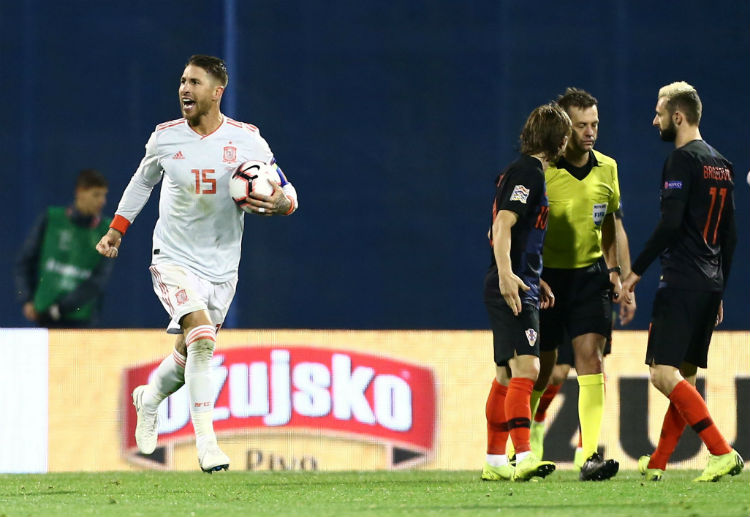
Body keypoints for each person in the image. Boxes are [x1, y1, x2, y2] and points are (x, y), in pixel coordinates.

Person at [96, 55, 298, 473]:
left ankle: (148, 398)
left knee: (189, 352)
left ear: (217, 91)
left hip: (222, 266)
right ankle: (207, 444)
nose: (184, 89)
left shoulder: (248, 141)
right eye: (182, 82)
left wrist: (279, 202)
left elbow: (287, 192)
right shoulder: (165, 139)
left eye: (194, 83)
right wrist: (117, 229)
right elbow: (141, 181)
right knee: (203, 338)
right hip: (173, 257)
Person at [622, 81, 743, 482]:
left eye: (658, 113)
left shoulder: (681, 161)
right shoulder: (722, 165)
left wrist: (635, 270)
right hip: (709, 285)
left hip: (681, 282)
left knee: (661, 373)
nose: (653, 120)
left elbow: (670, 224)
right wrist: (721, 288)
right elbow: (730, 237)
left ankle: (721, 451)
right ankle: (658, 463)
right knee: (683, 379)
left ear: (678, 116)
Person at [532, 88, 622, 481]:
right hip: (548, 280)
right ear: (564, 128)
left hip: (589, 277)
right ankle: (528, 441)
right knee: (545, 369)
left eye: (595, 125)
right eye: (582, 125)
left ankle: (589, 456)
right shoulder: (542, 172)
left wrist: (616, 271)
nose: (590, 133)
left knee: (591, 358)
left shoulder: (608, 169)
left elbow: (613, 225)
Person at [481, 103, 571, 482]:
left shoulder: (524, 172)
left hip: (522, 281)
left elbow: (508, 234)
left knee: (506, 376)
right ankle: (525, 456)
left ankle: (495, 461)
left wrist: (535, 277)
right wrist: (508, 276)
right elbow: (501, 225)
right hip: (512, 285)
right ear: (560, 140)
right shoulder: (529, 173)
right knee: (528, 368)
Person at [529, 183, 637, 467]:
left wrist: (624, 281)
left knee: (593, 361)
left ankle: (585, 450)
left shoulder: (603, 173)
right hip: (556, 280)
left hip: (594, 283)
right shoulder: (549, 173)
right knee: (555, 372)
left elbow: (617, 230)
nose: (589, 134)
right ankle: (535, 422)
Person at [15, 169, 114, 328]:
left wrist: (59, 309)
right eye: (96, 195)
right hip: (43, 318)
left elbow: (98, 281)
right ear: (80, 192)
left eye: (104, 195)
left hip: (82, 322)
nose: (102, 201)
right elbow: (25, 261)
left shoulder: (107, 231)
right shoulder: (51, 219)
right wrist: (26, 299)